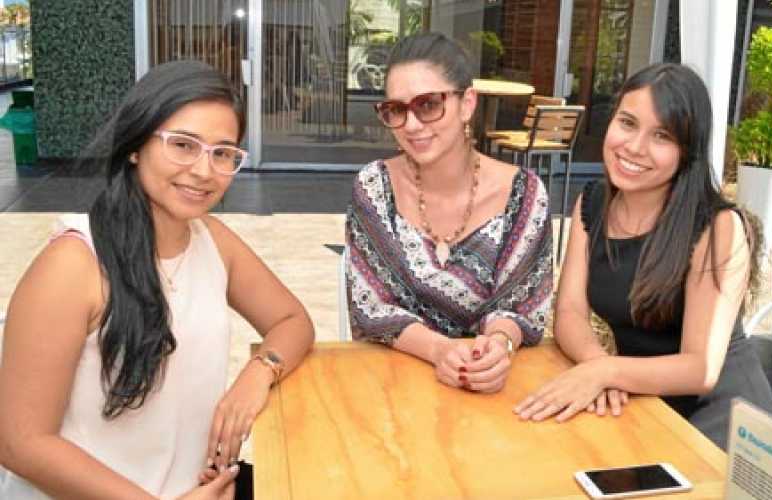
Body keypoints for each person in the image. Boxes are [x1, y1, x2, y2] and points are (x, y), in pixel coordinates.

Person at [0, 60, 314, 498]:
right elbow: (20, 444)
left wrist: (257, 375)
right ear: (135, 146)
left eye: (223, 153)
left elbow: (292, 320)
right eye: (183, 145)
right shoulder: (73, 264)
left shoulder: (212, 241)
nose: (205, 171)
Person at [513, 63, 772, 448]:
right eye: (627, 123)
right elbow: (569, 310)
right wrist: (597, 366)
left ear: (687, 150)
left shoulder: (719, 226)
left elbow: (700, 368)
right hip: (643, 401)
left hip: (725, 420)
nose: (634, 147)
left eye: (661, 135)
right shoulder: (592, 202)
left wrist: (607, 371)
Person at [345, 32, 553, 394]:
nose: (411, 125)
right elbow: (372, 308)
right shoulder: (375, 187)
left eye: (428, 105)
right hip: (393, 386)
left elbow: (523, 305)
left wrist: (499, 345)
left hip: (490, 391)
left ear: (467, 103)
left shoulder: (524, 194)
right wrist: (440, 349)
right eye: (396, 109)